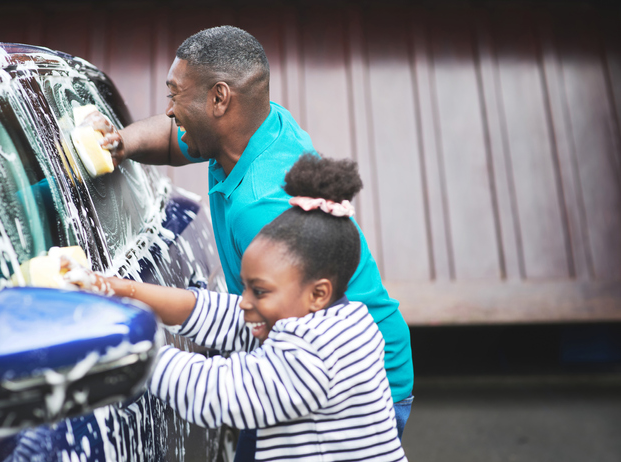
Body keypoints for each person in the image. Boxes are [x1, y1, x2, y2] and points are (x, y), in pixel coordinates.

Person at [87, 25, 414, 439]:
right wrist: (121, 143)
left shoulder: (262, 207)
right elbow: (173, 138)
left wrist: (123, 349)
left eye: (175, 94)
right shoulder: (252, 128)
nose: (169, 109)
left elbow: (230, 388)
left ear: (219, 98)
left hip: (350, 390)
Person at [63, 155, 407, 462]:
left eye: (259, 291)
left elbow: (216, 391)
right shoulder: (343, 317)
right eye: (246, 287)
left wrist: (126, 345)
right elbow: (216, 313)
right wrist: (119, 289)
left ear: (318, 293)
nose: (245, 301)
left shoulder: (312, 352)